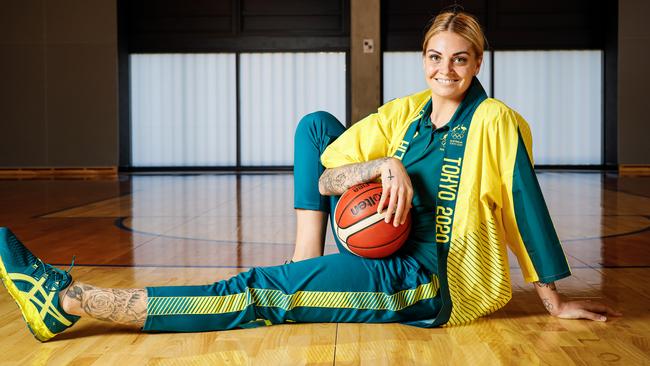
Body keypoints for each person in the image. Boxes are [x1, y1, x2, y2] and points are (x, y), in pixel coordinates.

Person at [0, 10, 620, 343]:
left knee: (263, 291)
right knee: (316, 125)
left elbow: (523, 205)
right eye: (436, 56)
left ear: (477, 62)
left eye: (460, 59)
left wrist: (552, 299)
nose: (446, 68)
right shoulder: (404, 114)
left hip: (426, 283)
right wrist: (382, 162)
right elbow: (324, 174)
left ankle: (72, 302)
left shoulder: (494, 121)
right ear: (423, 59)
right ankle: (306, 255)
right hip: (383, 247)